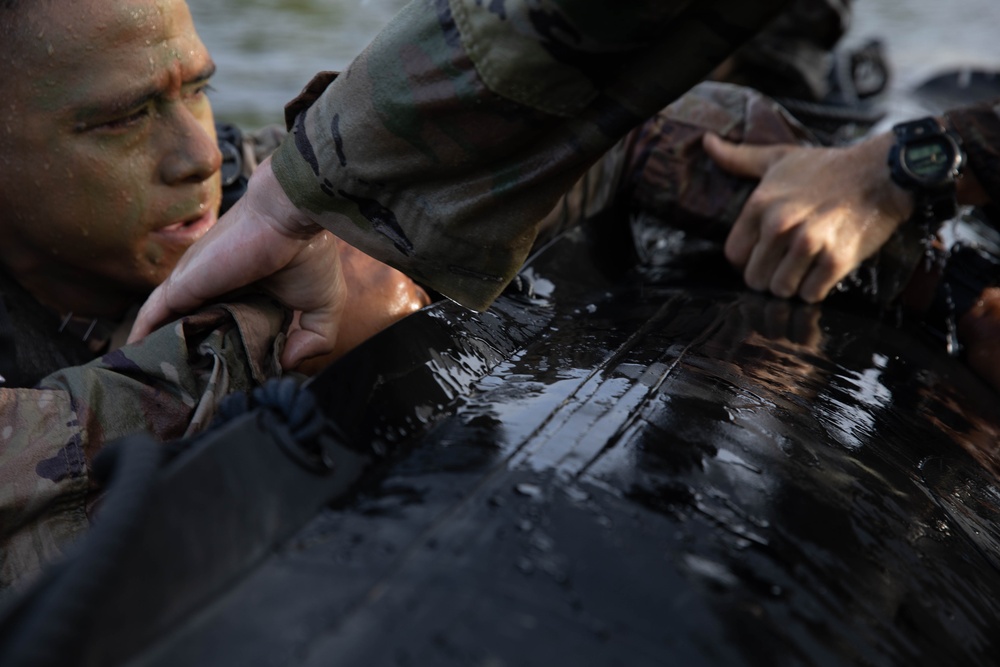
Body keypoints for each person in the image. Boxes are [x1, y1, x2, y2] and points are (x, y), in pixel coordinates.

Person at [0, 0, 427, 593]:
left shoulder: (248, 186)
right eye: (123, 119)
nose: (199, 155)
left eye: (199, 88)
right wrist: (266, 335)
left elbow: (436, 168)